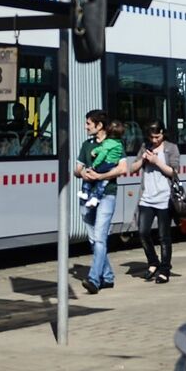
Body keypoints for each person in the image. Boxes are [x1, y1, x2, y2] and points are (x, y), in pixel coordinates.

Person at [79, 120, 134, 294]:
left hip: (107, 194)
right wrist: (84, 174)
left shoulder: (115, 143)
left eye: (89, 123)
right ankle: (108, 277)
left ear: (99, 125)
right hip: (87, 196)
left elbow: (123, 168)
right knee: (94, 239)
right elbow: (76, 169)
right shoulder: (86, 145)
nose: (86, 127)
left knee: (100, 238)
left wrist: (100, 176)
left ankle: (94, 279)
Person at [135, 122, 182, 283]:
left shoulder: (171, 148)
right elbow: (132, 168)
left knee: (164, 236)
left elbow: (174, 171)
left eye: (158, 136)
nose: (154, 140)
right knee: (143, 232)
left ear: (163, 133)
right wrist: (143, 159)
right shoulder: (145, 146)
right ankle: (153, 262)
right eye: (151, 137)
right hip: (146, 197)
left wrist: (157, 161)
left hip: (164, 198)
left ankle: (164, 269)